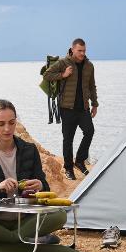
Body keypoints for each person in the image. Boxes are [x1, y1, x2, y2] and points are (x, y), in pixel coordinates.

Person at [0, 99, 66, 244]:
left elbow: (45, 188)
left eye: (11, 123)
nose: (7, 129)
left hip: (25, 219)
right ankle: (22, 238)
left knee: (60, 215)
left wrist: (40, 186)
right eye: (1, 124)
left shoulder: (29, 149)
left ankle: (8, 238)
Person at [42, 38, 99, 180]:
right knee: (68, 139)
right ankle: (68, 168)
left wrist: (95, 104)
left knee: (89, 131)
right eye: (79, 50)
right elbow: (47, 75)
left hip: (83, 108)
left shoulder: (89, 66)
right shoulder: (63, 63)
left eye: (84, 50)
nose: (82, 53)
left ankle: (79, 161)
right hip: (67, 108)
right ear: (72, 49)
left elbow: (92, 86)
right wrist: (63, 75)